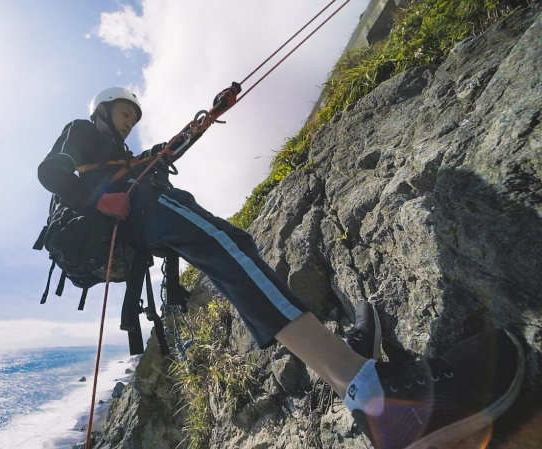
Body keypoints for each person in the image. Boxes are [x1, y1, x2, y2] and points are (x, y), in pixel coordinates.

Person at [37, 87, 525, 448]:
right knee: (229, 247)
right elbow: (50, 171)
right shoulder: (83, 132)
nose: (126, 122)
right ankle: (372, 389)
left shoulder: (119, 153)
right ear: (102, 111)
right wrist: (100, 203)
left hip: (141, 215)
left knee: (230, 250)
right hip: (143, 209)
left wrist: (204, 121)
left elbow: (157, 156)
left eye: (131, 117)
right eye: (123, 114)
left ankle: (346, 370)